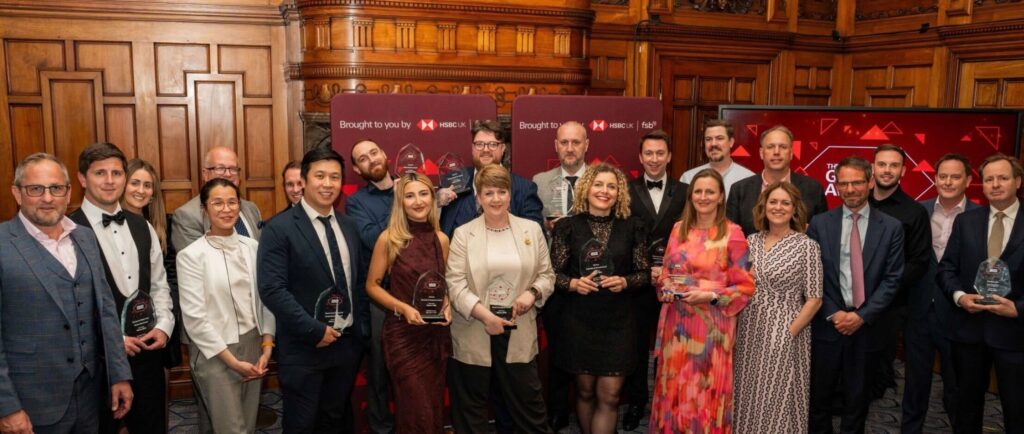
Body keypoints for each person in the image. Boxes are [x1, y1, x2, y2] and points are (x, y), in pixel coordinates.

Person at [0, 153, 132, 433]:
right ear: (17, 193)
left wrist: (119, 375)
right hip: (32, 403)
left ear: (68, 191)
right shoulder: (3, 245)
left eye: (56, 188)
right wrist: (7, 406)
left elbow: (106, 311)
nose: (47, 198)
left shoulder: (84, 237)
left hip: (90, 397)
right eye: (36, 189)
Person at [257, 145, 371, 433]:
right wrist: (314, 330)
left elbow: (358, 282)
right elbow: (272, 288)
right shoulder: (278, 228)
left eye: (334, 177)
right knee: (302, 424)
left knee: (335, 419)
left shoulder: (349, 226)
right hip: (304, 347)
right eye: (320, 176)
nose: (328, 183)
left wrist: (361, 332)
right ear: (304, 181)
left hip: (345, 345)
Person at [68, 142, 175, 433]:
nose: (110, 180)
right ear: (81, 179)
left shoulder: (143, 226)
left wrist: (163, 325)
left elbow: (159, 285)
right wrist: (111, 340)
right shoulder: (67, 231)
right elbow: (68, 307)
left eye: (116, 173)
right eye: (100, 173)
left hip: (146, 353)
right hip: (96, 363)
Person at [446, 164, 554, 434]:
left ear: (510, 194)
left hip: (517, 328)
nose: (496, 199)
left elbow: (547, 275)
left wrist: (532, 293)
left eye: (501, 192)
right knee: (472, 412)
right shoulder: (462, 234)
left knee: (530, 409)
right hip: (475, 328)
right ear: (478, 197)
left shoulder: (531, 230)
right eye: (489, 193)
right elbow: (455, 284)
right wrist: (485, 316)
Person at [649, 168, 755, 433]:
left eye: (710, 191)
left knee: (705, 393)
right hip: (678, 326)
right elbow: (667, 273)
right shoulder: (677, 230)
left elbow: (745, 287)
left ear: (721, 197)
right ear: (690, 195)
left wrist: (711, 295)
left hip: (712, 329)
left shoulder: (733, 233)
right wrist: (663, 284)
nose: (703, 197)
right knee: (675, 389)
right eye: (698, 191)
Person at [806, 156, 904, 434]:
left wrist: (861, 316)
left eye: (857, 182)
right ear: (836, 186)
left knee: (858, 400)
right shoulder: (820, 223)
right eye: (843, 183)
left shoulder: (891, 227)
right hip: (827, 325)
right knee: (819, 400)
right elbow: (813, 275)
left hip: (868, 328)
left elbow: (893, 279)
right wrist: (834, 312)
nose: (850, 189)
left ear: (870, 182)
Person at [550, 163, 650, 434]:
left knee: (610, 395)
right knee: (584, 393)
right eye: (598, 184)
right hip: (579, 320)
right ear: (586, 188)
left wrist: (625, 281)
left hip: (618, 323)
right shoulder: (567, 227)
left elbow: (644, 273)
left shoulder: (633, 227)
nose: (604, 191)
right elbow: (552, 275)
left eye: (611, 186)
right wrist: (572, 284)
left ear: (620, 193)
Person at [176, 178, 276, 434]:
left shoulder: (253, 247)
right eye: (217, 203)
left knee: (248, 424)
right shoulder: (191, 256)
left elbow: (267, 299)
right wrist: (231, 361)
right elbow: (195, 318)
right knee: (232, 429)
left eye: (232, 202)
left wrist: (267, 345)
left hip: (255, 344)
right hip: (216, 352)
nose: (226, 209)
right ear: (204, 209)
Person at [937, 153, 1024, 434]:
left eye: (1003, 178)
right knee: (966, 409)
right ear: (982, 185)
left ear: (1018, 182)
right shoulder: (967, 221)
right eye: (989, 179)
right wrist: (960, 297)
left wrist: (1019, 308)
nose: (995, 184)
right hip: (970, 330)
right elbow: (946, 268)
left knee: (1017, 410)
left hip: (1015, 332)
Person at [733, 181, 823, 434]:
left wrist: (789, 333)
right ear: (764, 206)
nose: (778, 207)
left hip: (785, 329)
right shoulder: (750, 241)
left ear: (795, 209)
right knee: (748, 396)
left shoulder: (807, 246)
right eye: (773, 202)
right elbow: (737, 284)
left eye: (785, 203)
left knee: (777, 398)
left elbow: (815, 298)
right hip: (749, 329)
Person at [365, 173, 452, 433]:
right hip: (403, 336)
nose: (418, 201)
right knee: (417, 408)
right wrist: (402, 308)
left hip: (434, 335)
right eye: (410, 195)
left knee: (433, 405)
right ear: (400, 202)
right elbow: (371, 286)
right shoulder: (389, 238)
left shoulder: (442, 239)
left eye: (423, 194)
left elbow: (442, 283)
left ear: (432, 197)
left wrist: (446, 304)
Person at [902, 153, 976, 433]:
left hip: (960, 315)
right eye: (942, 176)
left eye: (955, 176)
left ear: (968, 180)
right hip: (919, 311)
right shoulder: (919, 211)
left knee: (957, 385)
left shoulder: (980, 216)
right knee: (914, 383)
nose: (948, 182)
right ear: (934, 179)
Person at [622, 130, 687, 431]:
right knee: (635, 347)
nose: (654, 159)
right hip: (637, 283)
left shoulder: (686, 191)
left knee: (670, 347)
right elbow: (623, 236)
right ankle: (636, 402)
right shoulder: (625, 189)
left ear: (669, 156)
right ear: (640, 157)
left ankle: (666, 401)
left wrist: (671, 272)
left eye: (660, 153)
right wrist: (644, 268)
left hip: (673, 284)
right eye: (649, 153)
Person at [530, 120, 589, 430]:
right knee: (555, 349)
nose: (569, 148)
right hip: (553, 278)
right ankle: (557, 410)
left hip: (591, 281)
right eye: (564, 142)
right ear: (556, 145)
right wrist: (545, 227)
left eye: (575, 142)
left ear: (586, 145)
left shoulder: (601, 179)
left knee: (585, 349)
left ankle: (583, 408)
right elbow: (528, 227)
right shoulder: (539, 182)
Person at [865, 144, 932, 400]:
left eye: (894, 165)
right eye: (882, 164)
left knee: (877, 376)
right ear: (872, 167)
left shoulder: (914, 212)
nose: (887, 170)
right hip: (849, 303)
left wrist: (881, 288)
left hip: (888, 308)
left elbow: (918, 263)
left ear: (903, 170)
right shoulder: (857, 204)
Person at [345, 139, 396, 434]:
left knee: (413, 370)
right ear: (356, 168)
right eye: (362, 158)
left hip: (417, 292)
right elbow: (374, 240)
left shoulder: (413, 187)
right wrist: (405, 204)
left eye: (374, 152)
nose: (371, 160)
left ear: (386, 154)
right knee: (378, 371)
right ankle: (381, 429)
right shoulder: (356, 203)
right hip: (380, 296)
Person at [122, 158, 184, 370]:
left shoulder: (164, 224)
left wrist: (165, 317)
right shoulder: (109, 225)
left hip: (161, 313)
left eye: (147, 185)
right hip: (124, 322)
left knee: (158, 375)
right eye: (135, 183)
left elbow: (170, 272)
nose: (141, 190)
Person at [439, 120, 544, 237]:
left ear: (503, 148)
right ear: (472, 148)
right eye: (479, 144)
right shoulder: (452, 182)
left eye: (493, 144)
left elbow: (535, 237)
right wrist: (437, 204)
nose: (485, 150)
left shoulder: (525, 188)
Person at [726, 124, 828, 236]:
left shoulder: (813, 189)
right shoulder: (739, 190)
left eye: (783, 147)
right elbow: (731, 237)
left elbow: (823, 234)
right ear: (761, 153)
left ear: (791, 153)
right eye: (770, 147)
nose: (776, 152)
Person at [172, 146, 262, 251]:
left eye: (233, 169)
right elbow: (195, 260)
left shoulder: (251, 208)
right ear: (205, 174)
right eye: (220, 168)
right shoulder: (186, 215)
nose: (228, 174)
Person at [679, 119, 754, 199]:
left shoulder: (748, 179)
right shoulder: (688, 178)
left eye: (719, 138)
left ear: (731, 142)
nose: (713, 144)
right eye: (708, 139)